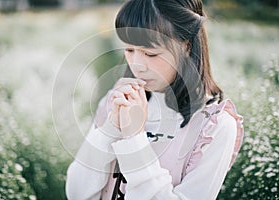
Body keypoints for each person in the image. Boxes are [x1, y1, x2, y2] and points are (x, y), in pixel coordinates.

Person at [65, 0, 244, 199]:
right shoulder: (116, 101)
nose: (138, 65)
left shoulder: (214, 126)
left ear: (186, 46)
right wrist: (109, 130)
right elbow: (76, 193)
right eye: (129, 50)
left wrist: (134, 139)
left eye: (150, 53)